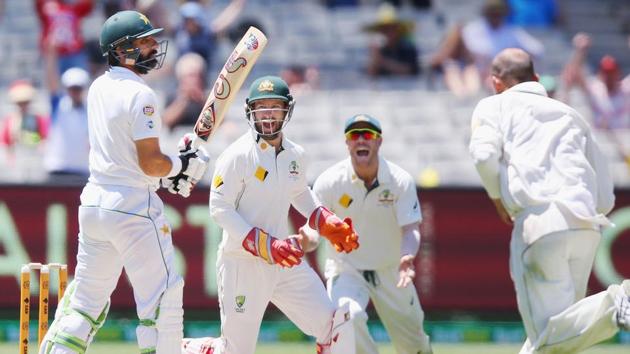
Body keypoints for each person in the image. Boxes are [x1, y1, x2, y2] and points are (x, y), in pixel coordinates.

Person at [39, 10, 209, 354]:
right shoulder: (141, 94)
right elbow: (149, 162)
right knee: (162, 303)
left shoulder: (97, 87)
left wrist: (170, 170)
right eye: (144, 42)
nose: (152, 47)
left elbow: (130, 158)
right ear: (122, 49)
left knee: (85, 304)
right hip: (133, 208)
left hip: (95, 204)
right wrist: (180, 165)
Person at [181, 76, 360, 354]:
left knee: (335, 325)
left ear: (287, 110)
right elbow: (219, 207)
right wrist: (265, 245)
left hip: (283, 260)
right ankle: (190, 349)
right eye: (261, 106)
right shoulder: (237, 155)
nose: (267, 114)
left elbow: (300, 193)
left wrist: (326, 222)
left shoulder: (294, 155)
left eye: (274, 106)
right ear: (249, 111)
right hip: (243, 262)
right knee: (235, 351)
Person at [469, 47, 630, 354]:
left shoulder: (494, 105)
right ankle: (614, 306)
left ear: (495, 82)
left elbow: (482, 155)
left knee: (549, 335)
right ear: (537, 79)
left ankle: (615, 304)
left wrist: (497, 199)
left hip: (540, 223)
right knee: (558, 339)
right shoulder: (571, 114)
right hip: (585, 227)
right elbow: (605, 194)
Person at [301, 114, 433, 354]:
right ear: (347, 143)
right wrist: (307, 240)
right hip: (347, 269)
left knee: (414, 345)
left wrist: (407, 257)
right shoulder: (329, 182)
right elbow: (314, 229)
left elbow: (410, 228)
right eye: (355, 135)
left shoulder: (399, 181)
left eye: (368, 135)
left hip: (392, 269)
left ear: (379, 141)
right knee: (346, 318)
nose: (361, 140)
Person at [43, 38, 91, 179]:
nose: (75, 91)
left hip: (82, 170)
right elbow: (51, 81)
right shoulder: (58, 104)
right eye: (72, 88)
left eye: (78, 88)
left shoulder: (90, 109)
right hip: (57, 167)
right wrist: (51, 55)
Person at [562, 32, 630, 130]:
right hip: (600, 139)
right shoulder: (595, 89)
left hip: (625, 139)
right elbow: (573, 74)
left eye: (611, 73)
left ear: (618, 73)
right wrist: (580, 51)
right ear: (600, 74)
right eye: (606, 73)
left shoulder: (625, 89)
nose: (609, 77)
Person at [34, 0, 94, 74]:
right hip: (55, 54)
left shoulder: (74, 8)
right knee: (55, 81)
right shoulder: (47, 6)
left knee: (79, 78)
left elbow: (88, 5)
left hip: (74, 52)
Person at [364, 3, 420, 78]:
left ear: (397, 29)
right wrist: (374, 58)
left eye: (391, 28)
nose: (388, 32)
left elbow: (410, 70)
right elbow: (370, 75)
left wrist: (382, 61)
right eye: (384, 29)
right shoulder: (380, 50)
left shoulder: (408, 48)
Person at [163, 52, 208, 130]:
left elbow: (218, 121)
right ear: (181, 77)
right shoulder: (172, 96)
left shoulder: (207, 97)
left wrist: (203, 101)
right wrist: (184, 99)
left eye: (199, 75)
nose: (196, 79)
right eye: (191, 75)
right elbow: (167, 121)